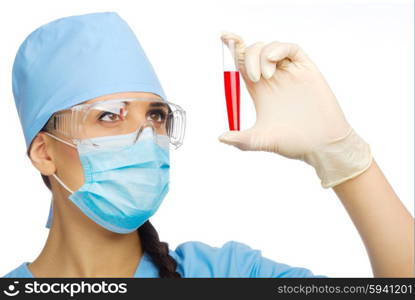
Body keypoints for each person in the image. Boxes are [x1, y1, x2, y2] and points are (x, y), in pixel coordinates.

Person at [3, 11, 413, 278]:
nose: (146, 138)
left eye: (156, 116)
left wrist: (344, 159)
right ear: (44, 152)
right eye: (110, 115)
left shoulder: (227, 274)